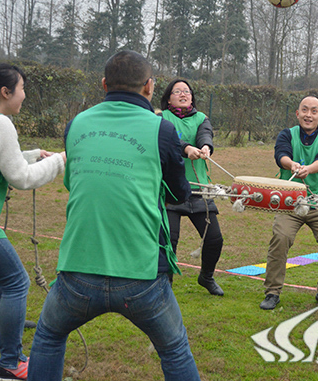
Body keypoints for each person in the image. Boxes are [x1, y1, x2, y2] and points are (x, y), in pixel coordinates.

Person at [28, 51, 200, 381]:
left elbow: (73, 182)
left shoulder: (75, 125)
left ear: (104, 85)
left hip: (77, 274)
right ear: (150, 87)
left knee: (48, 337)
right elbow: (179, 195)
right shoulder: (162, 130)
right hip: (143, 277)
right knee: (175, 349)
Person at [0, 63, 66, 381]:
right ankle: (11, 362)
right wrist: (59, 161)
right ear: (5, 92)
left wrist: (31, 154)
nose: (24, 95)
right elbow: (19, 177)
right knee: (16, 282)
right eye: (21, 88)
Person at [260, 95, 318, 311]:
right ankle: (272, 292)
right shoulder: (286, 135)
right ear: (297, 113)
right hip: (289, 201)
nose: (308, 115)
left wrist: (309, 168)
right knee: (281, 237)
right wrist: (292, 164)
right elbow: (281, 155)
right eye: (304, 110)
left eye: (314, 111)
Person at [159, 78, 224, 296]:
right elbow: (167, 140)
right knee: (169, 239)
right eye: (177, 91)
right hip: (169, 189)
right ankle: (164, 284)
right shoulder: (159, 117)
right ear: (169, 97)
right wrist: (186, 148)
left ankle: (206, 277)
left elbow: (205, 134)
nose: (183, 94)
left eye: (186, 91)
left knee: (214, 238)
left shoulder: (201, 117)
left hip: (199, 189)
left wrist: (205, 146)